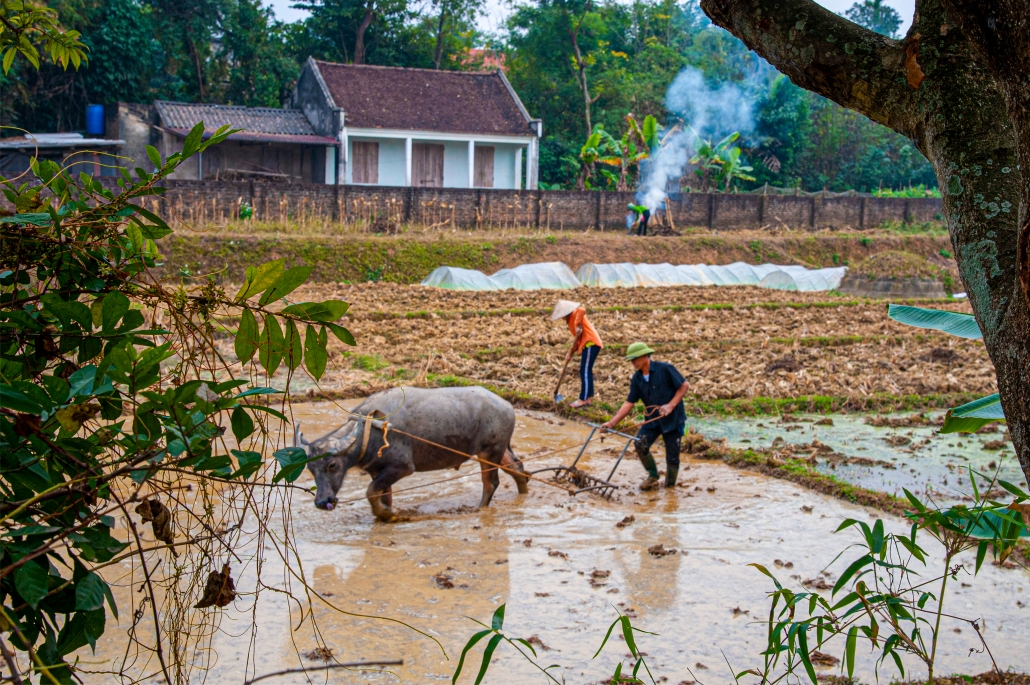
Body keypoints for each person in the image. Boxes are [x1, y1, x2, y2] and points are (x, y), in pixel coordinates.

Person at [601, 342, 689, 490]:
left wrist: (671, 405)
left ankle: (670, 487)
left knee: (672, 457)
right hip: (652, 421)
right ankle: (653, 475)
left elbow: (684, 385)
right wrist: (612, 422)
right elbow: (629, 403)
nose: (633, 363)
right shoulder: (637, 378)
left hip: (672, 420)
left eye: (635, 359)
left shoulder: (665, 369)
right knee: (640, 444)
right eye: (631, 360)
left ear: (645, 356)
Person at [551, 299, 603, 408]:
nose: (561, 318)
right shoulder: (569, 321)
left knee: (584, 371)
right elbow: (577, 340)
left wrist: (577, 323)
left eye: (562, 315)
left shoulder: (575, 314)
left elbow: (582, 309)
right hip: (587, 345)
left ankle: (583, 399)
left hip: (591, 343)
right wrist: (570, 352)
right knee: (586, 371)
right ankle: (588, 398)